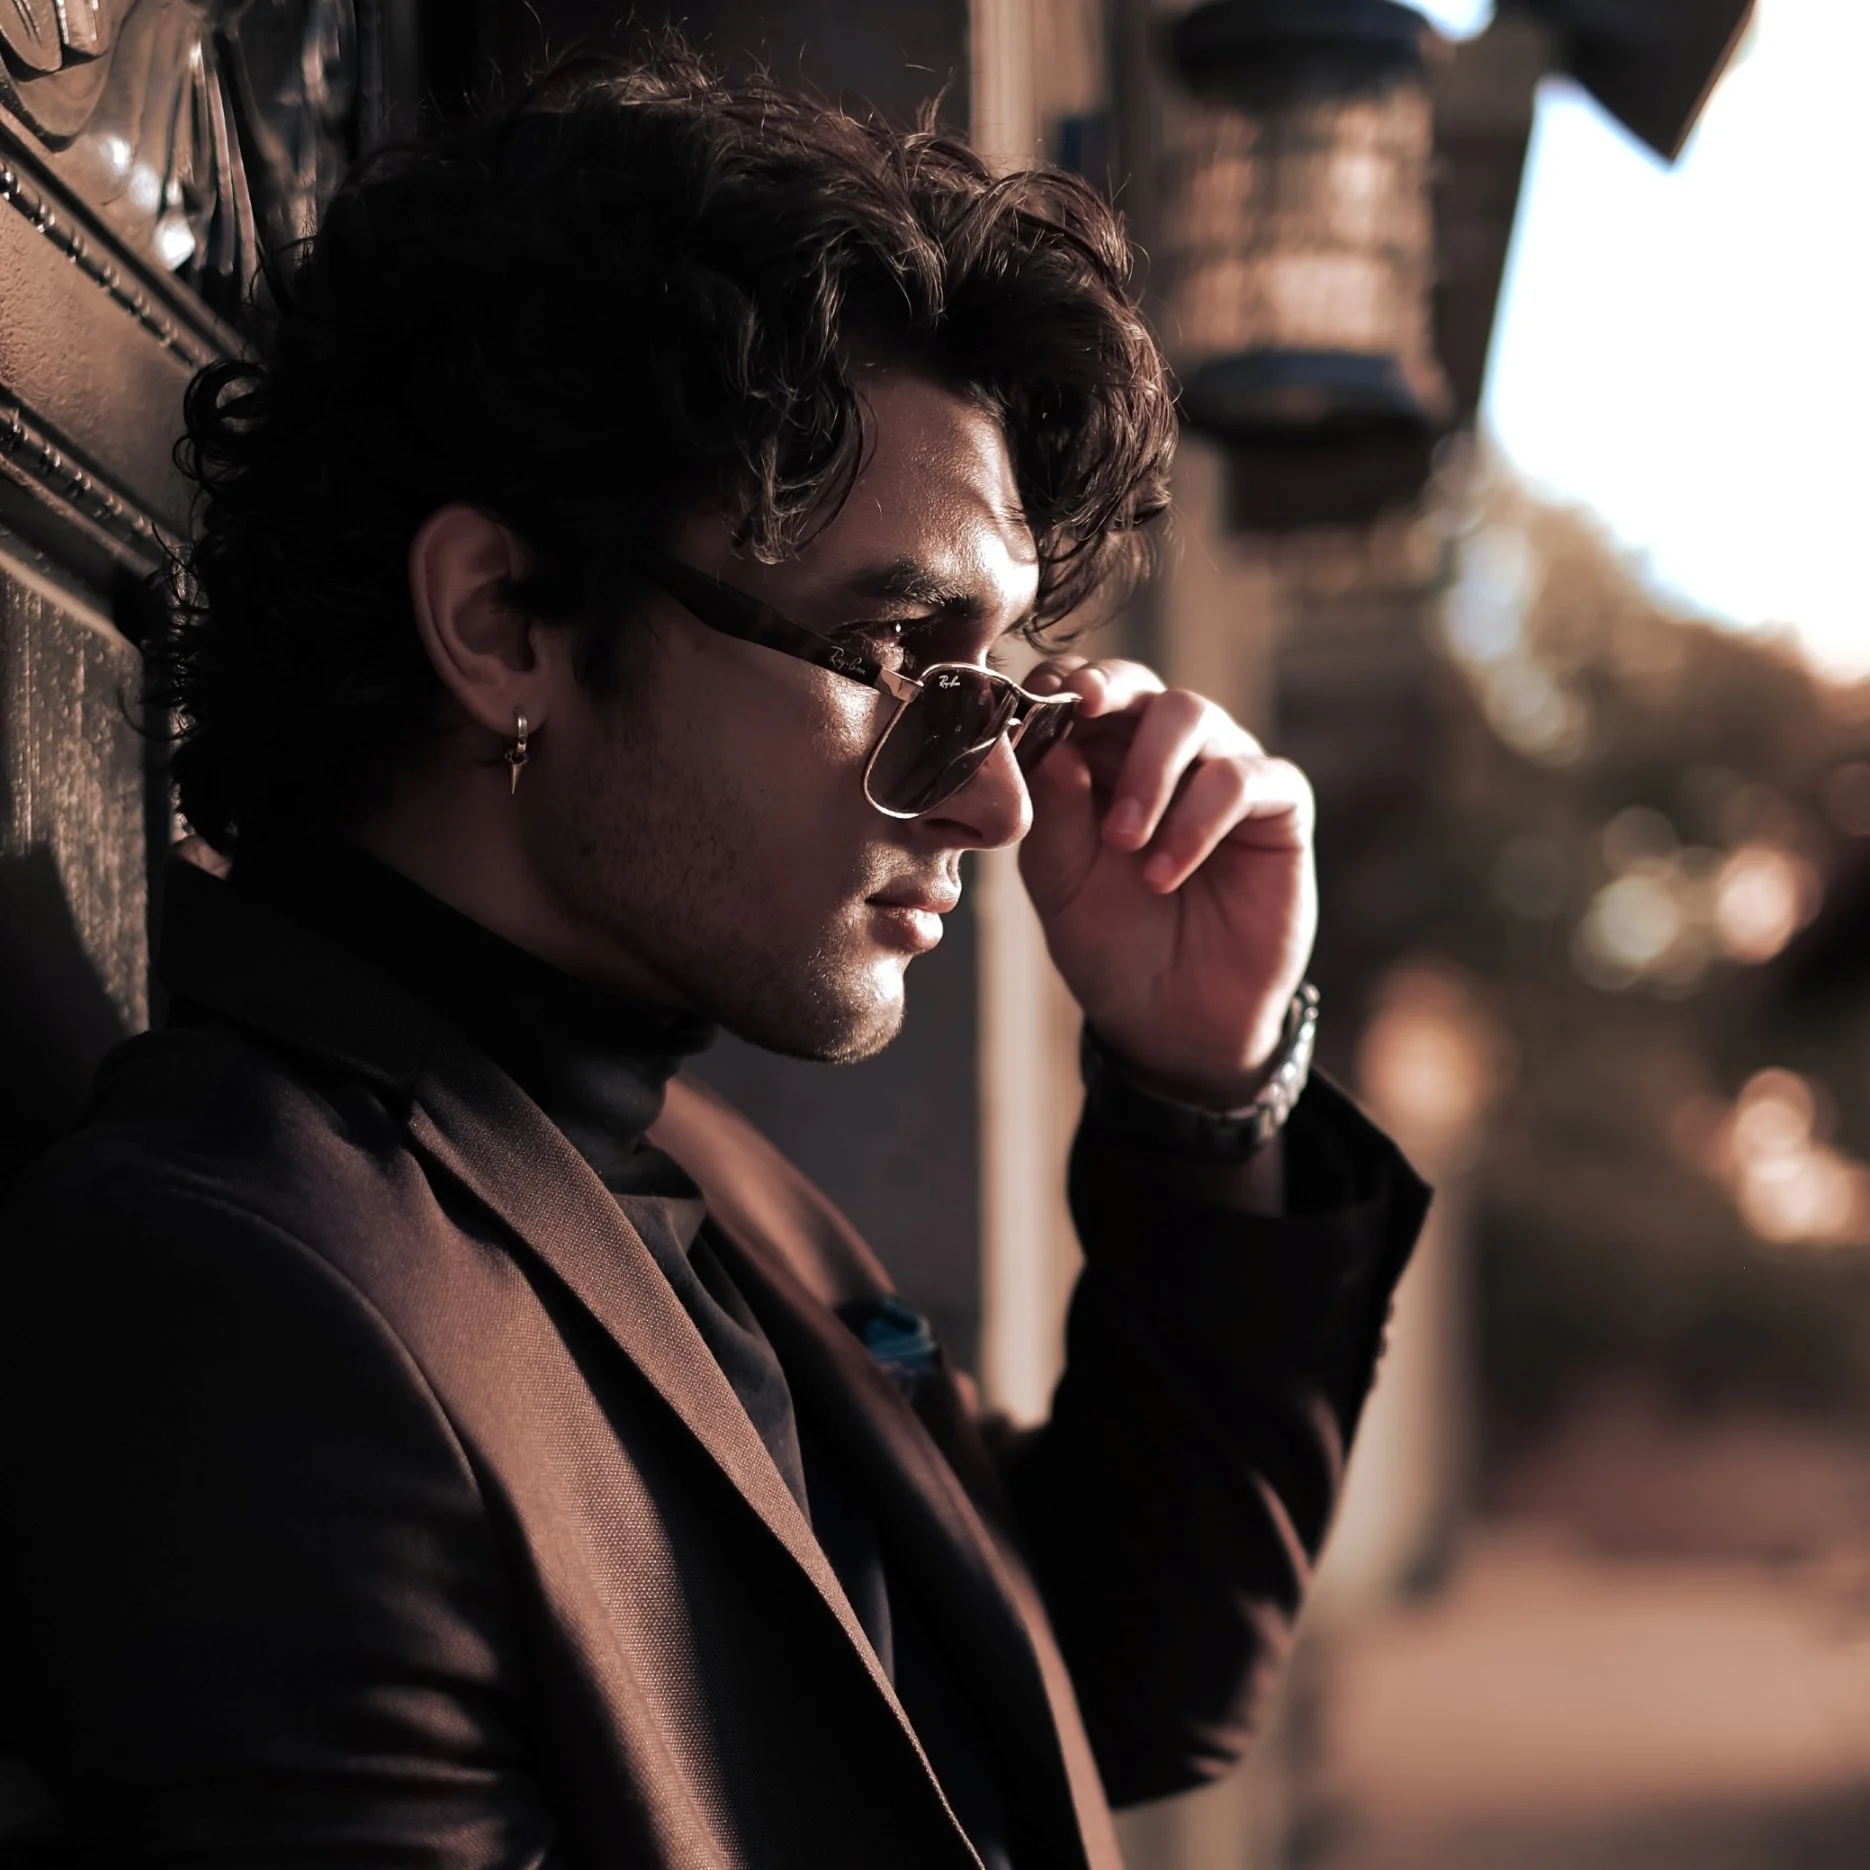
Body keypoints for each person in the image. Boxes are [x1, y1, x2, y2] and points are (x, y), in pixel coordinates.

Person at [0, 43, 1427, 1870]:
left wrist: (1203, 1091)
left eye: (1012, 691)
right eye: (909, 656)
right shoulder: (240, 1283)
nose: (996, 805)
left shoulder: (722, 1185)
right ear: (500, 622)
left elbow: (1104, 1692)